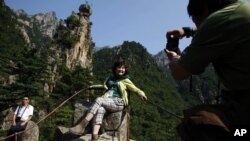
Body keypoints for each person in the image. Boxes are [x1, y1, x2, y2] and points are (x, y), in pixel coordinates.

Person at [165, 0, 250, 140]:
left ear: (204, 10)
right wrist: (187, 31)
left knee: (196, 122)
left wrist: (175, 58)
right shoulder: (240, 9)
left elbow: (179, 72)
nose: (197, 26)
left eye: (195, 20)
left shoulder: (218, 20)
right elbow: (219, 26)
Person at [69, 59, 147, 141]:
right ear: (115, 68)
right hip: (108, 101)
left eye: (123, 68)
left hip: (118, 102)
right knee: (100, 109)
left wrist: (142, 94)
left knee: (99, 100)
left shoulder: (125, 80)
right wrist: (91, 87)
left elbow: (135, 89)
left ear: (125, 69)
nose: (121, 69)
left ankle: (82, 125)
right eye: (119, 67)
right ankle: (94, 137)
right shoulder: (110, 78)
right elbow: (104, 86)